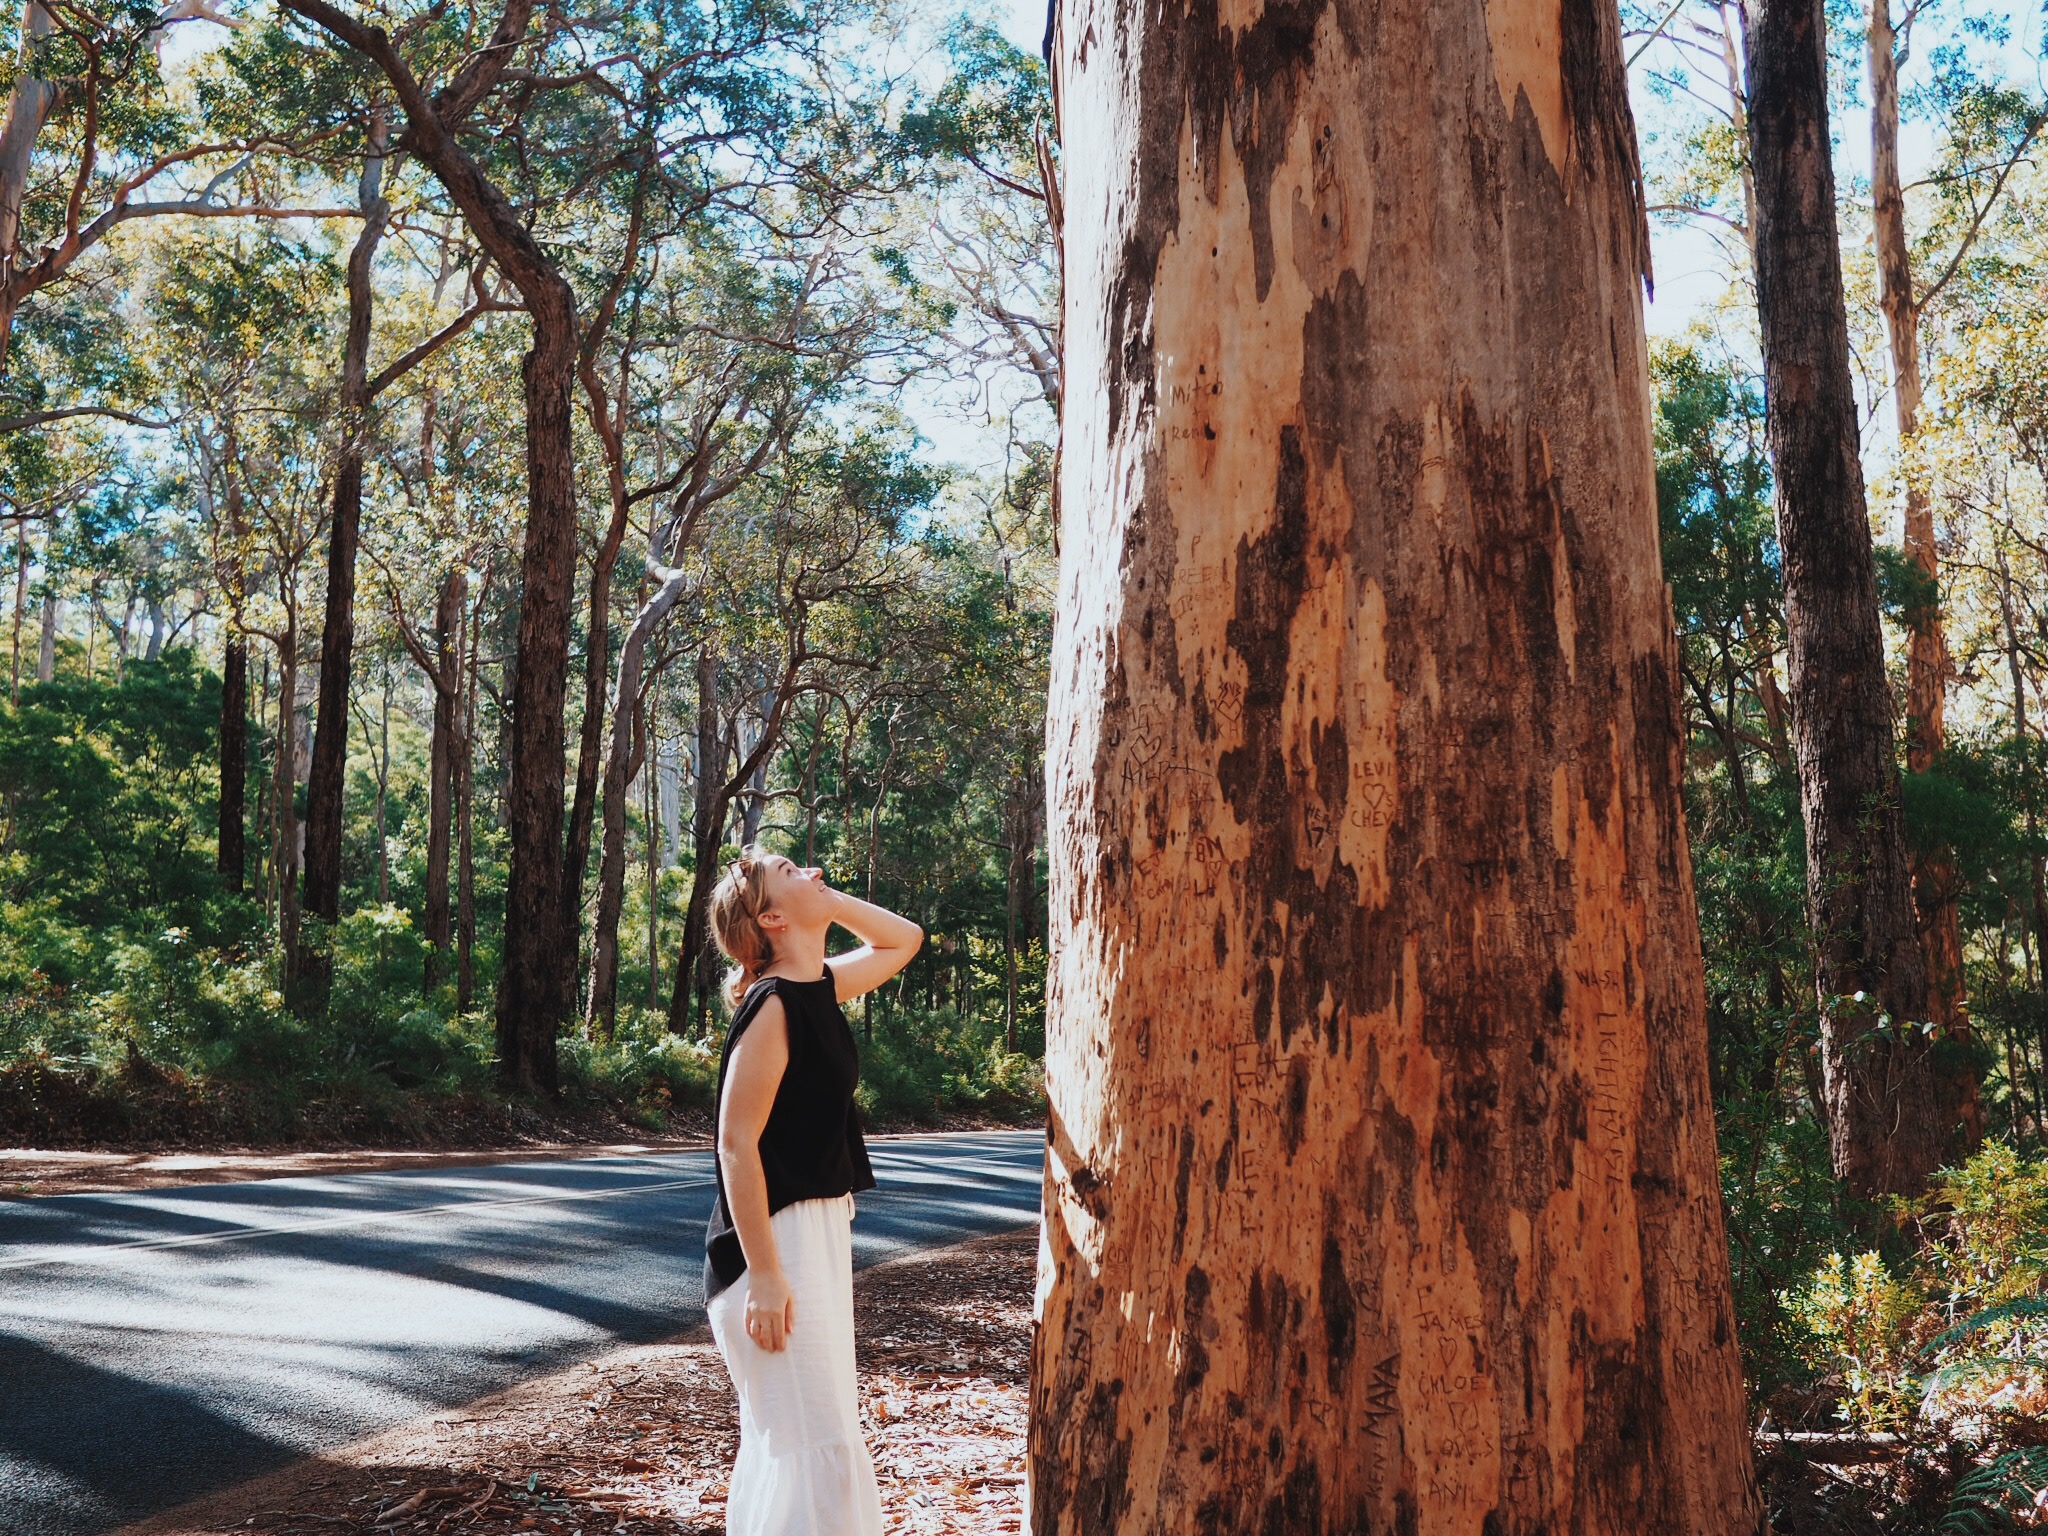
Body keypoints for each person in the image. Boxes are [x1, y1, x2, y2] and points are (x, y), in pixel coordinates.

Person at [702, 847, 922, 1536]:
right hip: (772, 1249)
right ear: (771, 918)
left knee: (808, 1440)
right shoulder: (772, 1006)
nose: (813, 871)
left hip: (813, 1235)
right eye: (791, 872)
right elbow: (735, 1144)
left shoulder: (817, 987)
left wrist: (825, 902)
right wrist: (766, 1275)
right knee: (808, 1443)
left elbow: (904, 939)